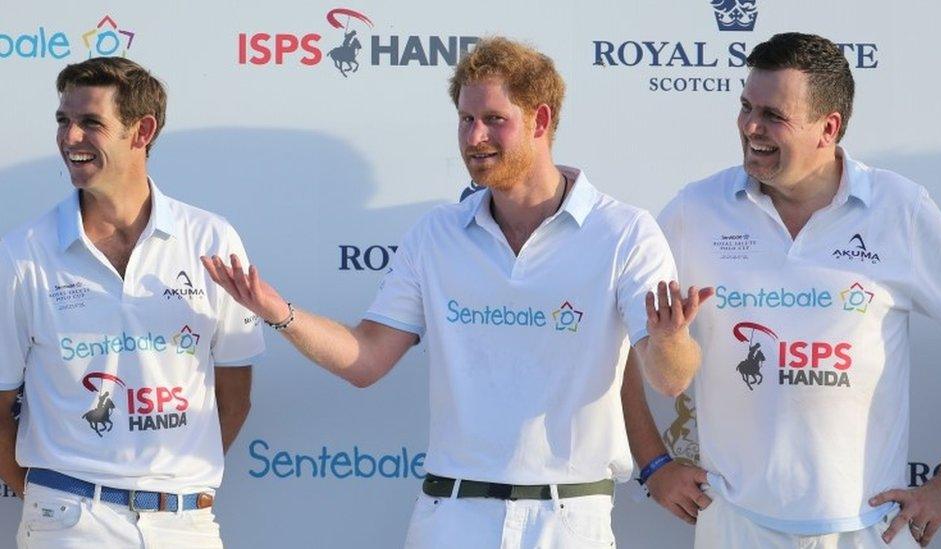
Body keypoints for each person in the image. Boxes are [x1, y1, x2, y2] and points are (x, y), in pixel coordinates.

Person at [202, 36, 710, 547]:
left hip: (569, 517)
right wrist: (277, 310)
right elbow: (366, 360)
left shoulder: (623, 232)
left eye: (493, 119)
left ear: (539, 121)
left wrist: (669, 340)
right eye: (466, 120)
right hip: (451, 516)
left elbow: (670, 380)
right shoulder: (436, 234)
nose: (475, 136)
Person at [623, 32, 941, 548]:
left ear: (827, 128)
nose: (750, 127)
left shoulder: (899, 210)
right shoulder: (696, 210)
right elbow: (619, 340)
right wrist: (652, 462)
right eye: (746, 107)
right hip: (732, 525)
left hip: (865, 529)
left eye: (773, 115)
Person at [0, 56, 264, 547]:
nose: (70, 137)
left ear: (141, 131)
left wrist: (178, 481)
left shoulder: (211, 239)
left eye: (90, 123)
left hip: (186, 523)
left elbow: (235, 396)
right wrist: (50, 500)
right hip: (67, 520)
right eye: (63, 121)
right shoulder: (22, 254)